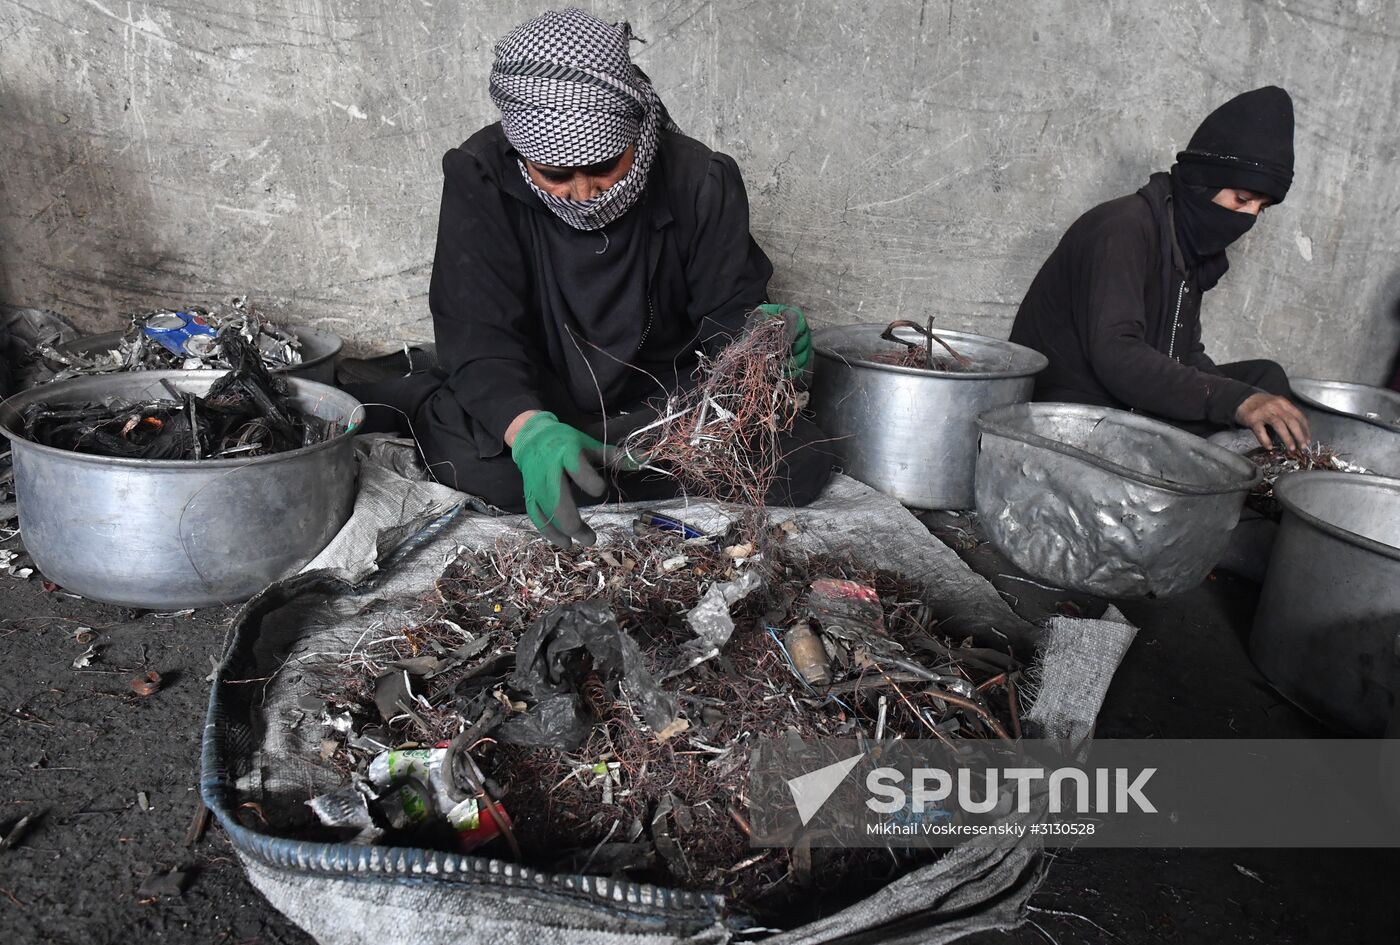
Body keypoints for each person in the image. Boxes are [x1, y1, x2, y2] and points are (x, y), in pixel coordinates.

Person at [352, 8, 831, 547]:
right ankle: (547, 447)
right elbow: (478, 334)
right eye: (555, 175)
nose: (584, 193)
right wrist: (528, 430)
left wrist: (762, 339)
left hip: (663, 405)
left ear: (636, 134)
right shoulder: (480, 177)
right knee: (480, 466)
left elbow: (729, 314)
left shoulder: (700, 179)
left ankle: (609, 467)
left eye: (606, 166)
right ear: (520, 154)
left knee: (801, 463)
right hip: (539, 392)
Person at [1009, 86, 1311, 451]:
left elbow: (1183, 353)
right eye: (1242, 200)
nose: (1247, 218)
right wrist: (1232, 401)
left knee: (1266, 380)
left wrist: (1246, 398)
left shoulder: (1188, 243)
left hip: (1131, 396)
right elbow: (1117, 356)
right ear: (1202, 183)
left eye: (1260, 208)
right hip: (1076, 411)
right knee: (1241, 406)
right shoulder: (1123, 229)